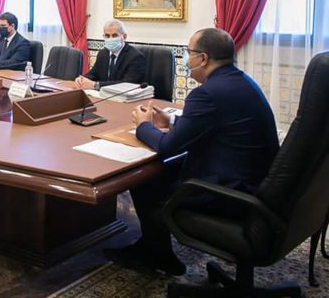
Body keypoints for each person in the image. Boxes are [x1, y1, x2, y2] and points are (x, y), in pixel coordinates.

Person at [104, 28, 279, 276]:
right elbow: (217, 123)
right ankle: (156, 251)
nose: (187, 59)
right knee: (161, 173)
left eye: (189, 52)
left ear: (203, 58)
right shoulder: (241, 82)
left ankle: (155, 254)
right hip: (257, 185)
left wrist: (143, 125)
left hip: (229, 193)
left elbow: (166, 147)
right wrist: (172, 122)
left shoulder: (207, 93)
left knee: (144, 181)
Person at [74, 19, 145, 90]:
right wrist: (82, 79)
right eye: (107, 36)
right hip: (102, 94)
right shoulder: (103, 53)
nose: (111, 39)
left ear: (124, 36)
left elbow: (127, 84)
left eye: (114, 35)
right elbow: (93, 74)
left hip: (124, 95)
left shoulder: (135, 57)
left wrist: (96, 85)